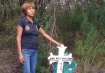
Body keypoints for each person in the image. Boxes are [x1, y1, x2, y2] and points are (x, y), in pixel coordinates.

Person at [16, 1, 61, 73]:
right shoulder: (22, 21)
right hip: (25, 51)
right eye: (29, 9)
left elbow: (45, 34)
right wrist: (20, 54)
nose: (32, 10)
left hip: (34, 51)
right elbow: (18, 37)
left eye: (33, 8)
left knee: (32, 71)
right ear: (25, 11)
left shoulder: (36, 22)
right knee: (27, 71)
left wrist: (57, 43)